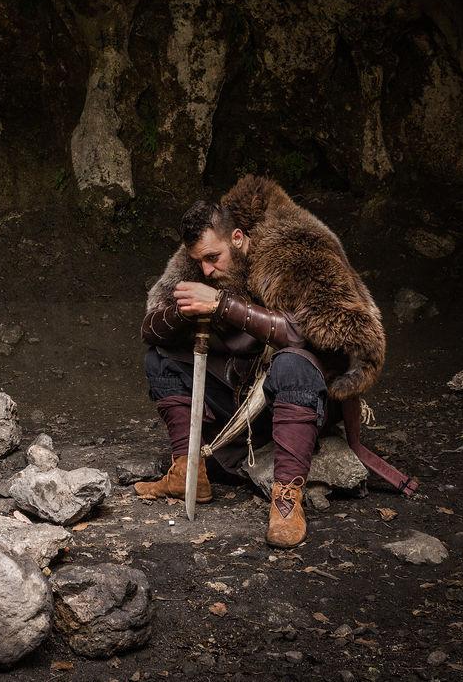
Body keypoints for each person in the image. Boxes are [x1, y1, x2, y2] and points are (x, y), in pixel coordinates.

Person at [133, 175, 386, 548]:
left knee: (293, 362)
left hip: (298, 397)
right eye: (197, 261)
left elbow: (310, 334)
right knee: (161, 359)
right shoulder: (202, 269)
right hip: (239, 401)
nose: (205, 270)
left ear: (237, 238)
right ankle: (188, 473)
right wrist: (184, 312)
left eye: (212, 258)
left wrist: (222, 305)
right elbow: (151, 331)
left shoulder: (296, 251)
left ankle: (286, 503)